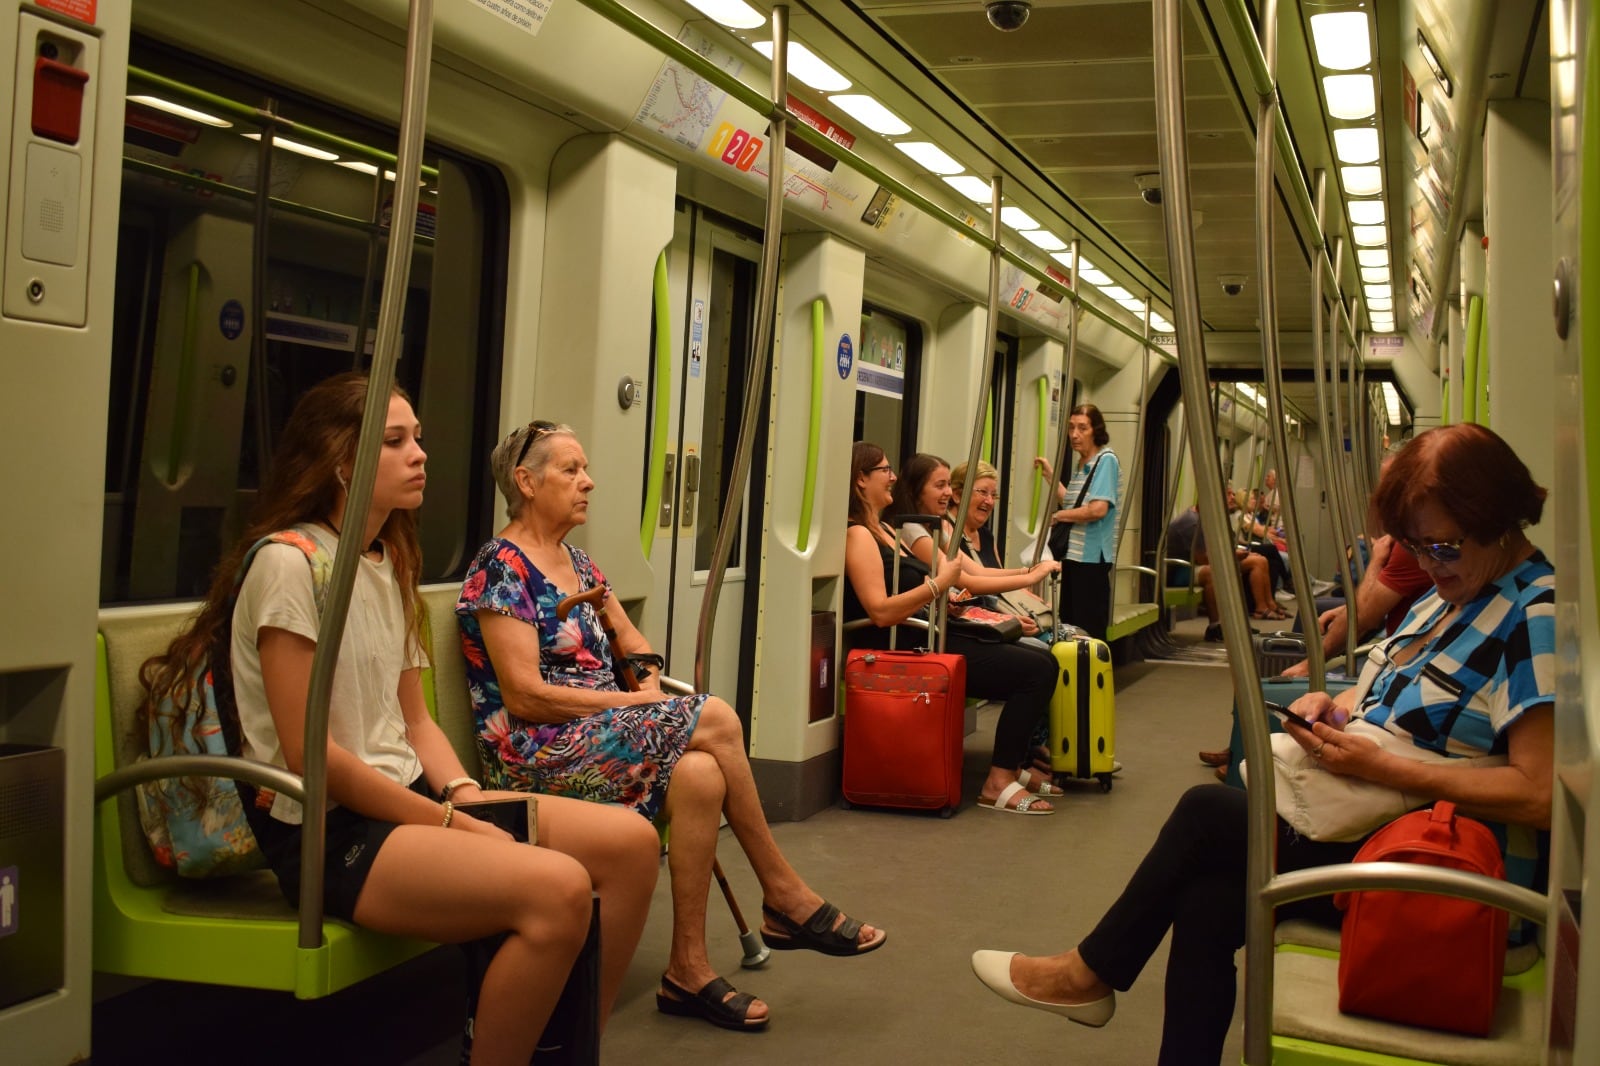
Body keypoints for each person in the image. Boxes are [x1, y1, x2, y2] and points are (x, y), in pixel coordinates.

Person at [972, 423, 1554, 1065]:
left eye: (1442, 546)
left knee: (1207, 813)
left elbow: (1539, 793)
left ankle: (1087, 974)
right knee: (1204, 902)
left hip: (1437, 871)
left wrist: (1387, 768)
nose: (1428, 566)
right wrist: (1333, 706)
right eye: (1417, 548)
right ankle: (1104, 993)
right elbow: (1402, 705)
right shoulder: (1447, 598)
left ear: (1497, 518)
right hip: (1370, 821)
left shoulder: (1533, 615)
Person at [138, 375, 659, 1066]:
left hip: (409, 798)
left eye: (417, 438)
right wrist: (450, 824)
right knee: (557, 887)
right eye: (395, 441)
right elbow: (309, 757)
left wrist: (460, 794)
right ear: (340, 462)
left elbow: (413, 723)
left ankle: (567, 1044)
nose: (419, 454)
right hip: (330, 829)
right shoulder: (291, 567)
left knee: (628, 842)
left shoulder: (389, 562)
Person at [457, 421, 886, 1034]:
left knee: (701, 772)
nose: (589, 482)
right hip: (534, 750)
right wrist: (630, 710)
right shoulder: (499, 567)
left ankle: (688, 967)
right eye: (571, 470)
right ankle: (783, 894)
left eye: (585, 469)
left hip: (595, 735)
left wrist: (647, 682)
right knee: (713, 715)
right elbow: (524, 695)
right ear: (525, 482)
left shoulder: (577, 563)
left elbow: (634, 645)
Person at [845, 442, 1062, 813]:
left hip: (929, 631)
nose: (892, 476)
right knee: (1036, 670)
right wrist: (939, 585)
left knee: (1036, 657)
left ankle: (1010, 768)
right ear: (861, 481)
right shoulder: (858, 535)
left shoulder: (882, 529)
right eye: (884, 470)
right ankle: (999, 781)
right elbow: (880, 611)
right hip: (906, 642)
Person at [1037, 403, 1120, 642]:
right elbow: (1075, 505)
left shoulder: (1106, 461)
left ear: (1096, 430)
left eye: (1082, 428)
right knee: (1072, 624)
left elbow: (1097, 509)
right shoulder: (1083, 464)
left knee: (1088, 627)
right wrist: (1050, 476)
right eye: (1071, 427)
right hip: (1075, 557)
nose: (1074, 434)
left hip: (1091, 558)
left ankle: (1090, 677)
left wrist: (1058, 517)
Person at [1166, 502, 1278, 639]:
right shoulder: (1192, 523)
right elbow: (1203, 559)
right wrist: (1233, 555)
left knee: (1258, 561)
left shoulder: (1203, 519)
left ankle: (1262, 609)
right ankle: (1216, 626)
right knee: (1214, 573)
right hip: (1180, 570)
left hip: (1195, 564)